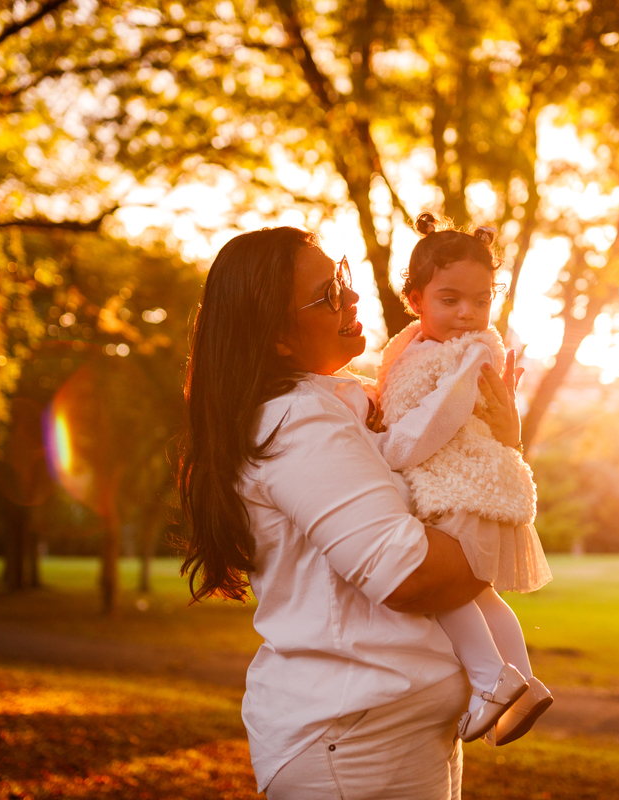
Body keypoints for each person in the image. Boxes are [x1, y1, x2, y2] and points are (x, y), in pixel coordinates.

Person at [176, 227, 522, 799]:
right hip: (354, 740)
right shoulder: (297, 425)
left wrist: (498, 438)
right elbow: (412, 576)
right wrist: (496, 478)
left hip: (391, 731)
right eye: (326, 294)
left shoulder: (342, 399)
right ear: (277, 337)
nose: (352, 297)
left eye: (342, 276)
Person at [373, 212, 554, 746]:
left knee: (440, 586)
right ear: (415, 300)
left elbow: (435, 421)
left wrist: (385, 451)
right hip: (470, 483)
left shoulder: (470, 352)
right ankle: (524, 680)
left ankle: (491, 679)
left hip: (465, 485)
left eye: (481, 300)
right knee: (478, 595)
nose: (468, 314)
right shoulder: (413, 346)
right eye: (450, 300)